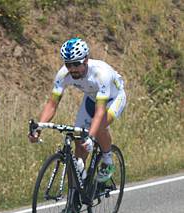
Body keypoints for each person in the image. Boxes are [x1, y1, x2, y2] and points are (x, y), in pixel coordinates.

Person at [29, 37, 126, 189]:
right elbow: (52, 103)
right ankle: (76, 196)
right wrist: (39, 128)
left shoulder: (100, 74)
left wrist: (91, 137)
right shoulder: (64, 74)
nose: (72, 68)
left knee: (98, 127)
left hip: (114, 99)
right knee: (78, 146)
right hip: (92, 99)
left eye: (76, 64)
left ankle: (107, 161)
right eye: (68, 64)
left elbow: (100, 112)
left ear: (86, 59)